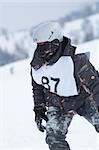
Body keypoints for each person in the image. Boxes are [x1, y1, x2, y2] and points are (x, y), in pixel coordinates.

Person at [30, 21, 99, 150]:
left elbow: (95, 84)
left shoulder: (76, 62)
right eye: (38, 46)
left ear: (55, 43)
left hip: (83, 98)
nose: (40, 51)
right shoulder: (37, 64)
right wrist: (39, 107)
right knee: (54, 138)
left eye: (44, 46)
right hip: (56, 103)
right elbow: (37, 86)